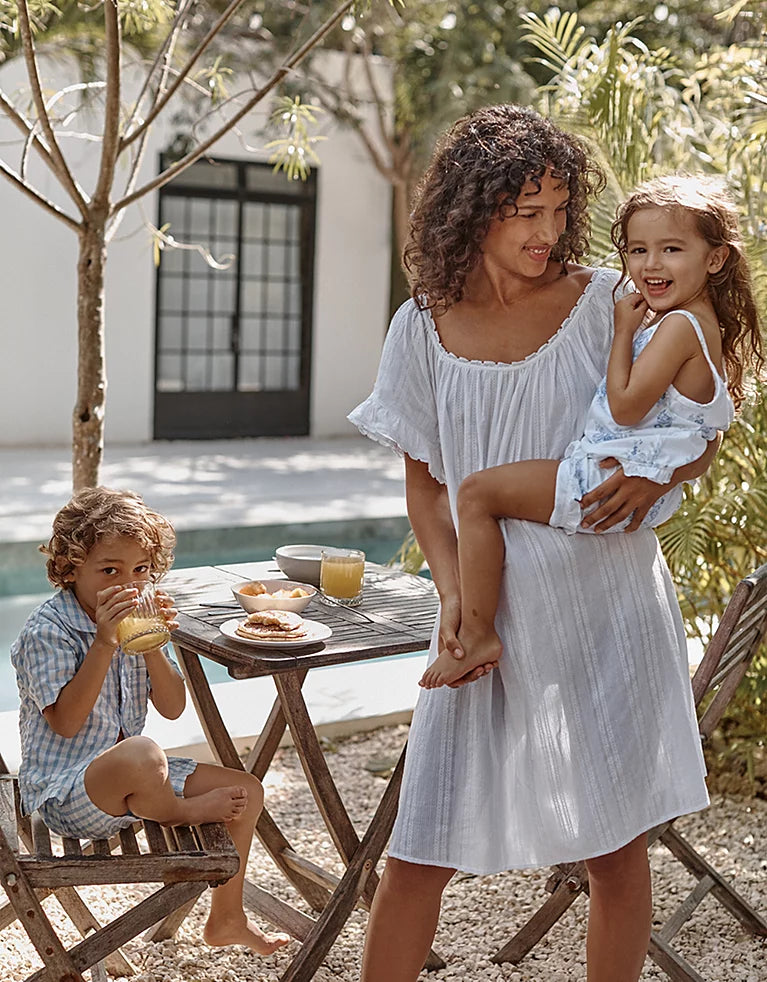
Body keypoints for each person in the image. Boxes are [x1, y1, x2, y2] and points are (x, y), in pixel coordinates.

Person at [348, 105, 727, 982]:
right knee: (418, 851)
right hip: (484, 614)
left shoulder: (611, 302)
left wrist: (662, 477)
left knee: (613, 852)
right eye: (527, 210)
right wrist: (452, 598)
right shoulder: (421, 326)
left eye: (560, 209)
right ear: (475, 208)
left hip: (605, 605)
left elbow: (702, 417)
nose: (548, 232)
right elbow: (426, 484)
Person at [420, 174, 762, 689]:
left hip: (603, 480)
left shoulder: (676, 327)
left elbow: (625, 408)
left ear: (714, 259)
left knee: (475, 494)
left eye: (671, 249)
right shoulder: (693, 321)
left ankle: (478, 632)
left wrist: (623, 330)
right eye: (638, 249)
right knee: (480, 495)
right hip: (627, 479)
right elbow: (703, 429)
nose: (650, 264)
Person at [11, 487, 290, 957]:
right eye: (109, 571)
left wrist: (155, 644)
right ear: (69, 567)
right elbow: (65, 723)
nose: (127, 583)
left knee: (248, 791)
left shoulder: (138, 620)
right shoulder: (47, 632)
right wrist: (103, 644)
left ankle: (226, 918)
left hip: (135, 785)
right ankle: (178, 811)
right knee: (144, 752)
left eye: (140, 570)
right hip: (66, 794)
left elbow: (173, 706)